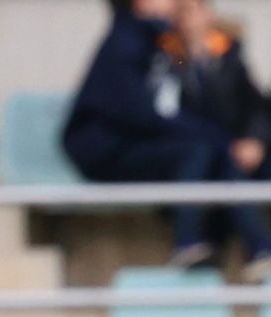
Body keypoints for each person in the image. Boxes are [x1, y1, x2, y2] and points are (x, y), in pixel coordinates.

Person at [63, 0, 271, 273]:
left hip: (181, 146)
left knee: (218, 155)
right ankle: (206, 245)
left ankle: (254, 250)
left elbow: (241, 107)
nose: (175, 5)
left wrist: (200, 54)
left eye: (197, 7)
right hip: (113, 149)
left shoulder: (185, 47)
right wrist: (223, 140)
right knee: (205, 151)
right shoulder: (130, 41)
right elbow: (148, 112)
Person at [166, 0, 271, 178]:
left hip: (236, 148)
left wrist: (256, 140)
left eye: (192, 11)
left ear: (209, 15)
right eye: (181, 12)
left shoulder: (229, 56)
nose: (187, 19)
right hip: (202, 148)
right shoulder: (164, 58)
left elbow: (255, 104)